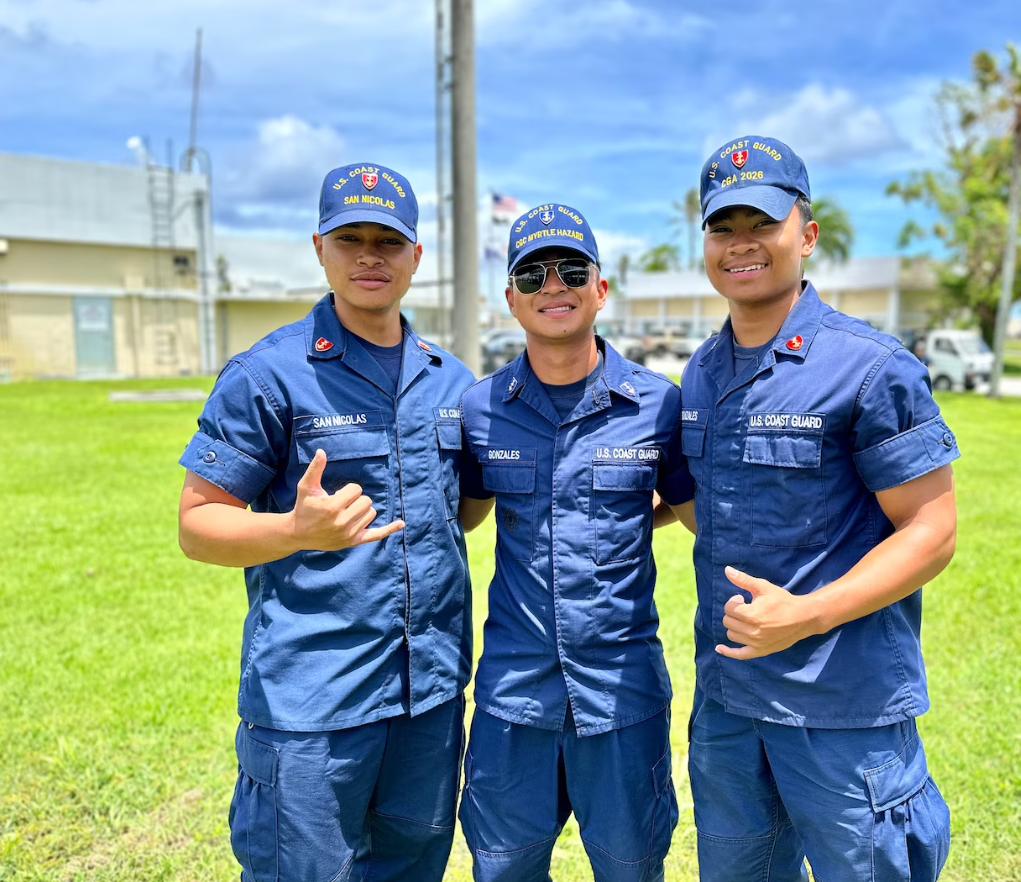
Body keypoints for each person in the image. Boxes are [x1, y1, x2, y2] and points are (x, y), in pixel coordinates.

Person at [176, 162, 492, 882]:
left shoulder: (450, 379)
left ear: (417, 256)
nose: (370, 256)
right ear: (319, 247)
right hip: (314, 701)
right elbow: (198, 526)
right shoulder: (268, 375)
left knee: (413, 869)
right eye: (351, 238)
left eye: (389, 240)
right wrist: (294, 531)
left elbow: (459, 511)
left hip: (429, 693)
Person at [675, 136, 958, 881]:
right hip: (729, 704)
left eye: (760, 224)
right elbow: (719, 507)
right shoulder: (701, 370)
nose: (740, 245)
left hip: (841, 708)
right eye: (721, 227)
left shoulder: (868, 367)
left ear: (805, 234)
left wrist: (808, 612)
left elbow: (930, 531)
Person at [457, 202, 694, 882]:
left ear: (601, 287)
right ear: (510, 299)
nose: (551, 285)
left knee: (629, 867)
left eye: (569, 269)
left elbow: (689, 507)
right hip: (513, 695)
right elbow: (471, 513)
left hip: (620, 695)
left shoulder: (658, 405)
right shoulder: (480, 408)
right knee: (503, 868)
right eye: (531, 274)